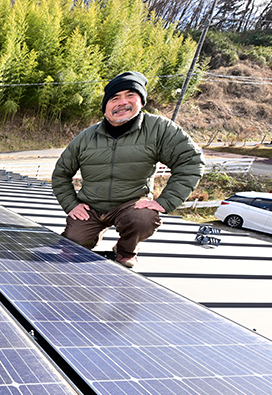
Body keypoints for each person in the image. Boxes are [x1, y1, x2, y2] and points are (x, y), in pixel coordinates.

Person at [51, 71, 205, 268]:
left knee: (143, 219)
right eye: (115, 98)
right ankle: (89, 238)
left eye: (130, 95)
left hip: (130, 204)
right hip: (92, 206)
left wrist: (166, 201)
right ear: (105, 107)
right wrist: (71, 204)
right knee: (73, 242)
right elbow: (61, 173)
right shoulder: (86, 137)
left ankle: (125, 251)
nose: (122, 102)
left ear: (141, 101)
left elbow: (190, 160)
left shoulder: (159, 128)